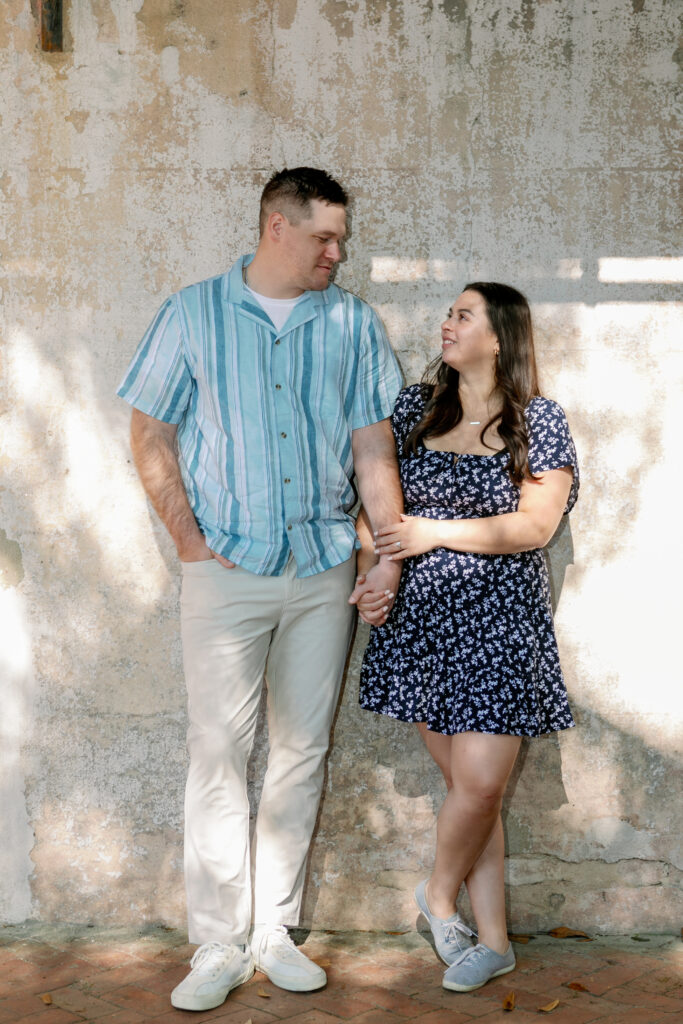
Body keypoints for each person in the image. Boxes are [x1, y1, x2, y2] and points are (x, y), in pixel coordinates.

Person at [117, 167, 403, 1012]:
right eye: (324, 237)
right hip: (225, 575)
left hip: (321, 568)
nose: (336, 252)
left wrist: (384, 555)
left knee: (301, 752)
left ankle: (273, 931)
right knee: (217, 752)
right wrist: (189, 544)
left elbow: (373, 448)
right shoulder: (192, 313)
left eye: (341, 238)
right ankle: (216, 942)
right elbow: (148, 430)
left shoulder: (350, 321)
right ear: (276, 227)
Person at [357, 282, 579, 993]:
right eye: (448, 313)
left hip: (501, 627)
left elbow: (534, 526)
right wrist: (378, 566)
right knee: (465, 790)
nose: (445, 324)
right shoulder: (415, 407)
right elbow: (373, 507)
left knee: (480, 785)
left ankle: (437, 896)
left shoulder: (536, 419)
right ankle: (492, 941)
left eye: (462, 315)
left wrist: (432, 534)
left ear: (499, 337)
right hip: (421, 625)